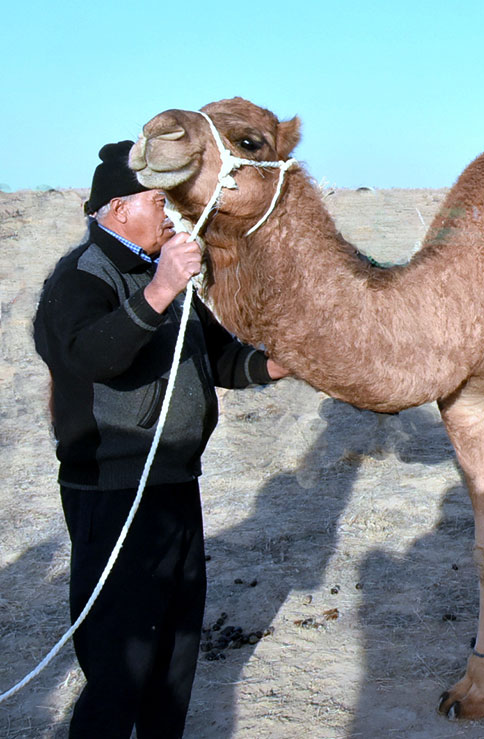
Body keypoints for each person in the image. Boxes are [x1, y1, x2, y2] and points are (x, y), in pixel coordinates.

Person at [33, 140, 289, 738]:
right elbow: (90, 356)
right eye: (159, 201)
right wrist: (162, 290)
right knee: (120, 663)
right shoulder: (80, 276)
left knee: (174, 654)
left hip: (176, 482)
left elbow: (220, 361)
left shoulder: (161, 273)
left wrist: (285, 362)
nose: (173, 214)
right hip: (114, 491)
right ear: (118, 209)